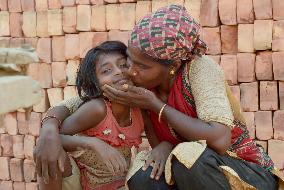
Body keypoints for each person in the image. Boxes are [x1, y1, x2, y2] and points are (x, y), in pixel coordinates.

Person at [35, 4, 283, 190]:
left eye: (141, 66)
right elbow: (75, 103)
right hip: (188, 171)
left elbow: (219, 139)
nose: (130, 71)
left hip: (241, 172)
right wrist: (48, 129)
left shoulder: (199, 70)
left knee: (190, 160)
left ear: (172, 66)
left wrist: (155, 105)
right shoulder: (137, 82)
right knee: (144, 176)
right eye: (130, 60)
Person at [36, 41, 144, 190]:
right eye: (106, 70)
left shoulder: (139, 107)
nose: (118, 72)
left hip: (118, 184)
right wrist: (92, 143)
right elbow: (53, 139)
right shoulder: (97, 108)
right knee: (52, 152)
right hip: (81, 182)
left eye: (124, 65)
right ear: (95, 83)